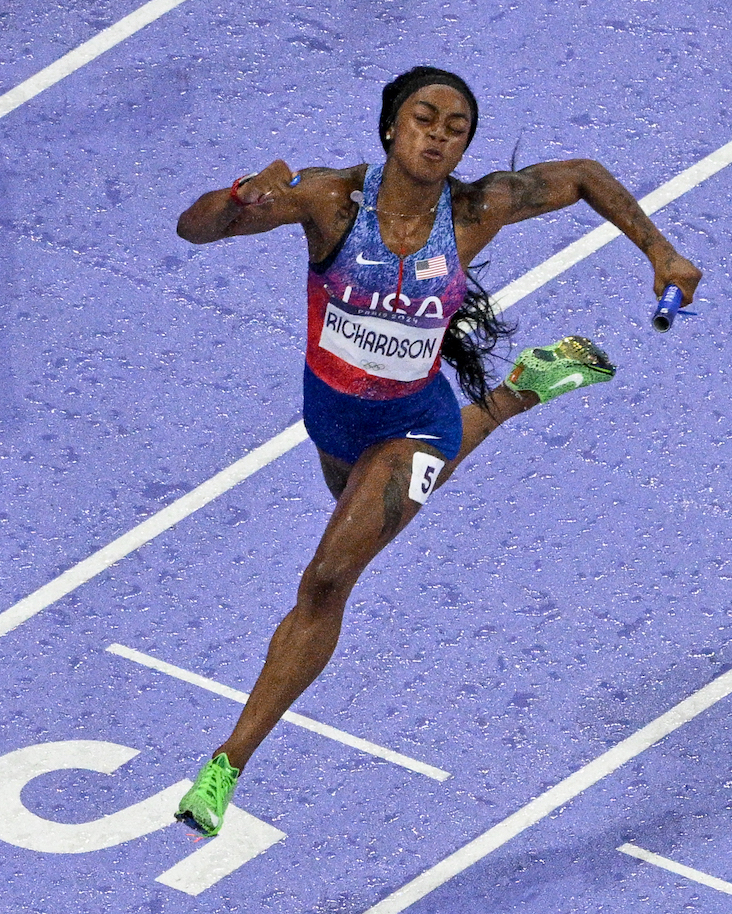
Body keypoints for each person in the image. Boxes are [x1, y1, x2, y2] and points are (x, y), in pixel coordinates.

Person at [172, 66, 701, 836]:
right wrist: (235, 198)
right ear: (391, 127)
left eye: (457, 129)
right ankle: (519, 388)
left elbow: (583, 176)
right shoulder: (327, 201)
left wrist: (661, 253)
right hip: (335, 427)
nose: (439, 135)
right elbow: (194, 229)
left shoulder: (476, 211)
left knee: (327, 579)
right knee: (378, 504)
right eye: (426, 118)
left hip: (412, 426)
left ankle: (225, 766)